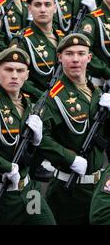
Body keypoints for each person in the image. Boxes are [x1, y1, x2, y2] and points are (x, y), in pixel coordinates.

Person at [0, 47, 56, 225]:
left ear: (27, 74)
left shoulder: (29, 104)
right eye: (8, 70)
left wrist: (37, 142)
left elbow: (29, 154)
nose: (14, 75)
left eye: (20, 70)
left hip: (28, 192)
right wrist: (6, 166)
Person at [38, 33, 110, 224]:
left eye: (81, 53)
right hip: (68, 190)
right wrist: (69, 158)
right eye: (69, 53)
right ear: (60, 57)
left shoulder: (97, 93)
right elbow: (40, 139)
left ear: (89, 58)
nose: (76, 59)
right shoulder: (53, 97)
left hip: (98, 186)